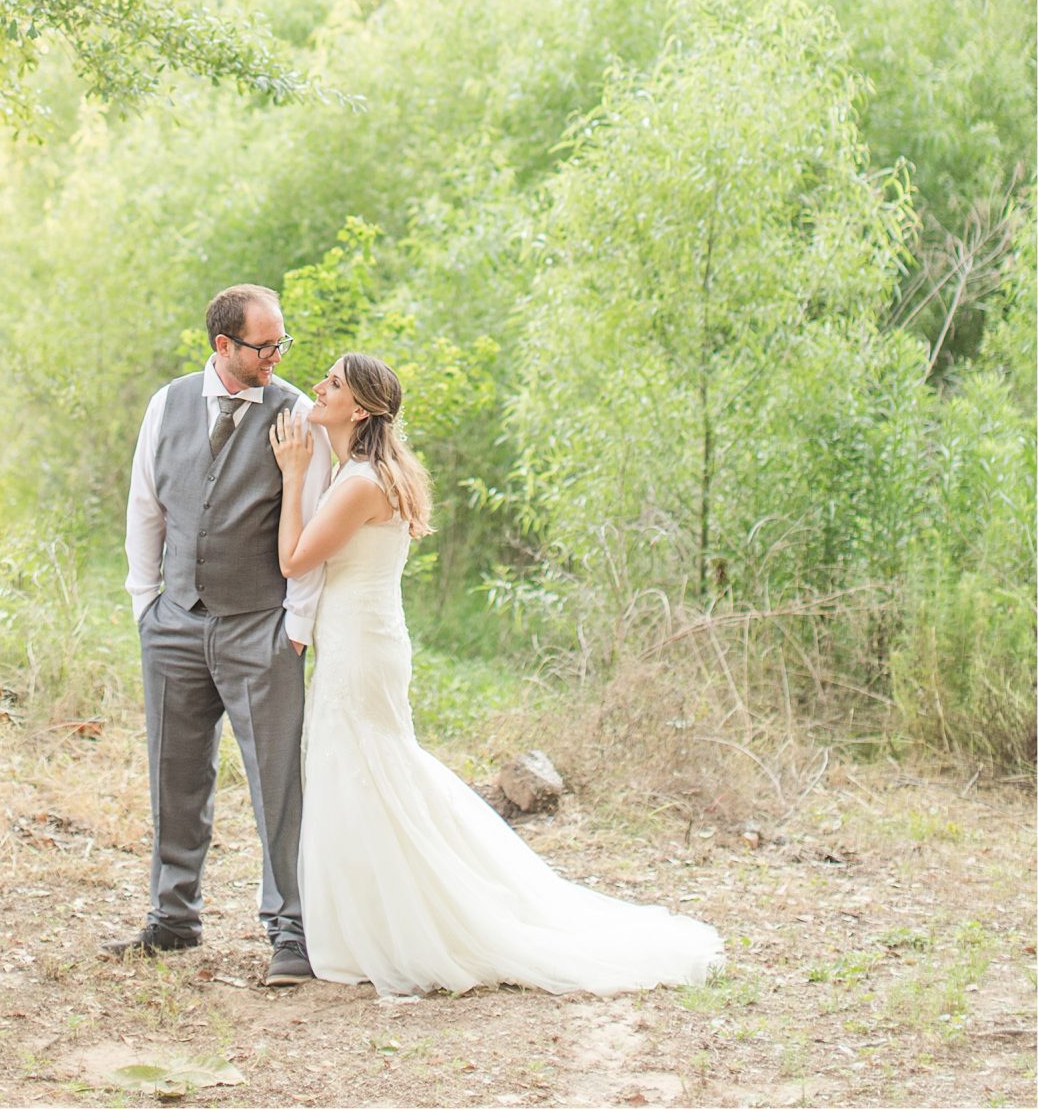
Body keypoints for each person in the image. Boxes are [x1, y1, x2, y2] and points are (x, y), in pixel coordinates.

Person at [269, 354, 725, 998]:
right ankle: (368, 922)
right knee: (366, 770)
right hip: (363, 638)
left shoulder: (361, 482)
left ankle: (407, 925)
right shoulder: (366, 472)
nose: (319, 387)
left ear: (362, 408)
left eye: (334, 384)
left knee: (365, 770)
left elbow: (293, 560)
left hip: (360, 650)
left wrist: (292, 474)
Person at [109, 284, 332, 986]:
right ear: (223, 347)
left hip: (259, 627)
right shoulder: (167, 404)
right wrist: (147, 604)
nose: (276, 356)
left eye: (280, 344)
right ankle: (173, 918)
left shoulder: (296, 412)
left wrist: (296, 625)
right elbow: (146, 506)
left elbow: (313, 523)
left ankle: (290, 933)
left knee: (278, 785)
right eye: (264, 345)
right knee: (175, 775)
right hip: (173, 623)